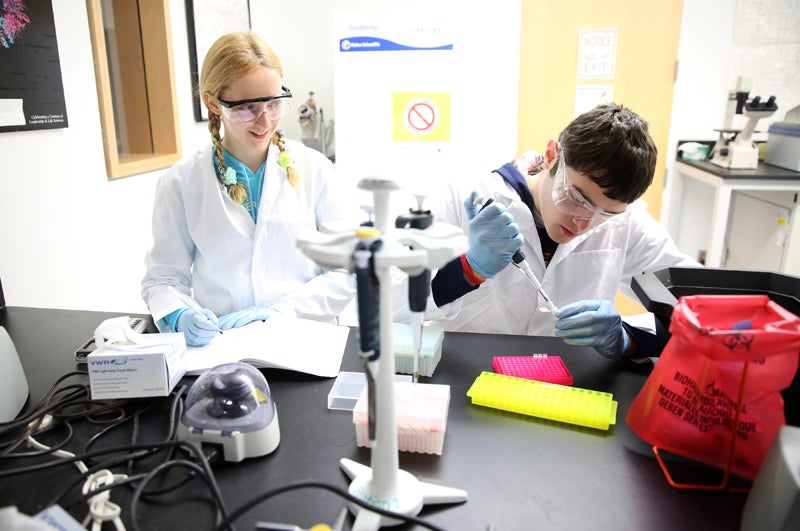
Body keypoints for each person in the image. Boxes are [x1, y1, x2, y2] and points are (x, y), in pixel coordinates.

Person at [425, 103, 700, 359]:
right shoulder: (464, 197)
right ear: (552, 156)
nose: (584, 223)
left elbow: (702, 309)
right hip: (460, 375)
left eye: (606, 214)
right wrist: (468, 270)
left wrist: (627, 339)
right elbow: (395, 302)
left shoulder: (627, 222)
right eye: (577, 199)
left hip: (561, 384)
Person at [141, 31, 359, 346]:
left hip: (304, 343)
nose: (264, 120)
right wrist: (180, 314)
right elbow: (163, 278)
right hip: (221, 346)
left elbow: (348, 269)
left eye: (274, 103)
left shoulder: (317, 170)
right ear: (213, 103)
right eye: (247, 107)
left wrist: (278, 312)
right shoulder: (181, 183)